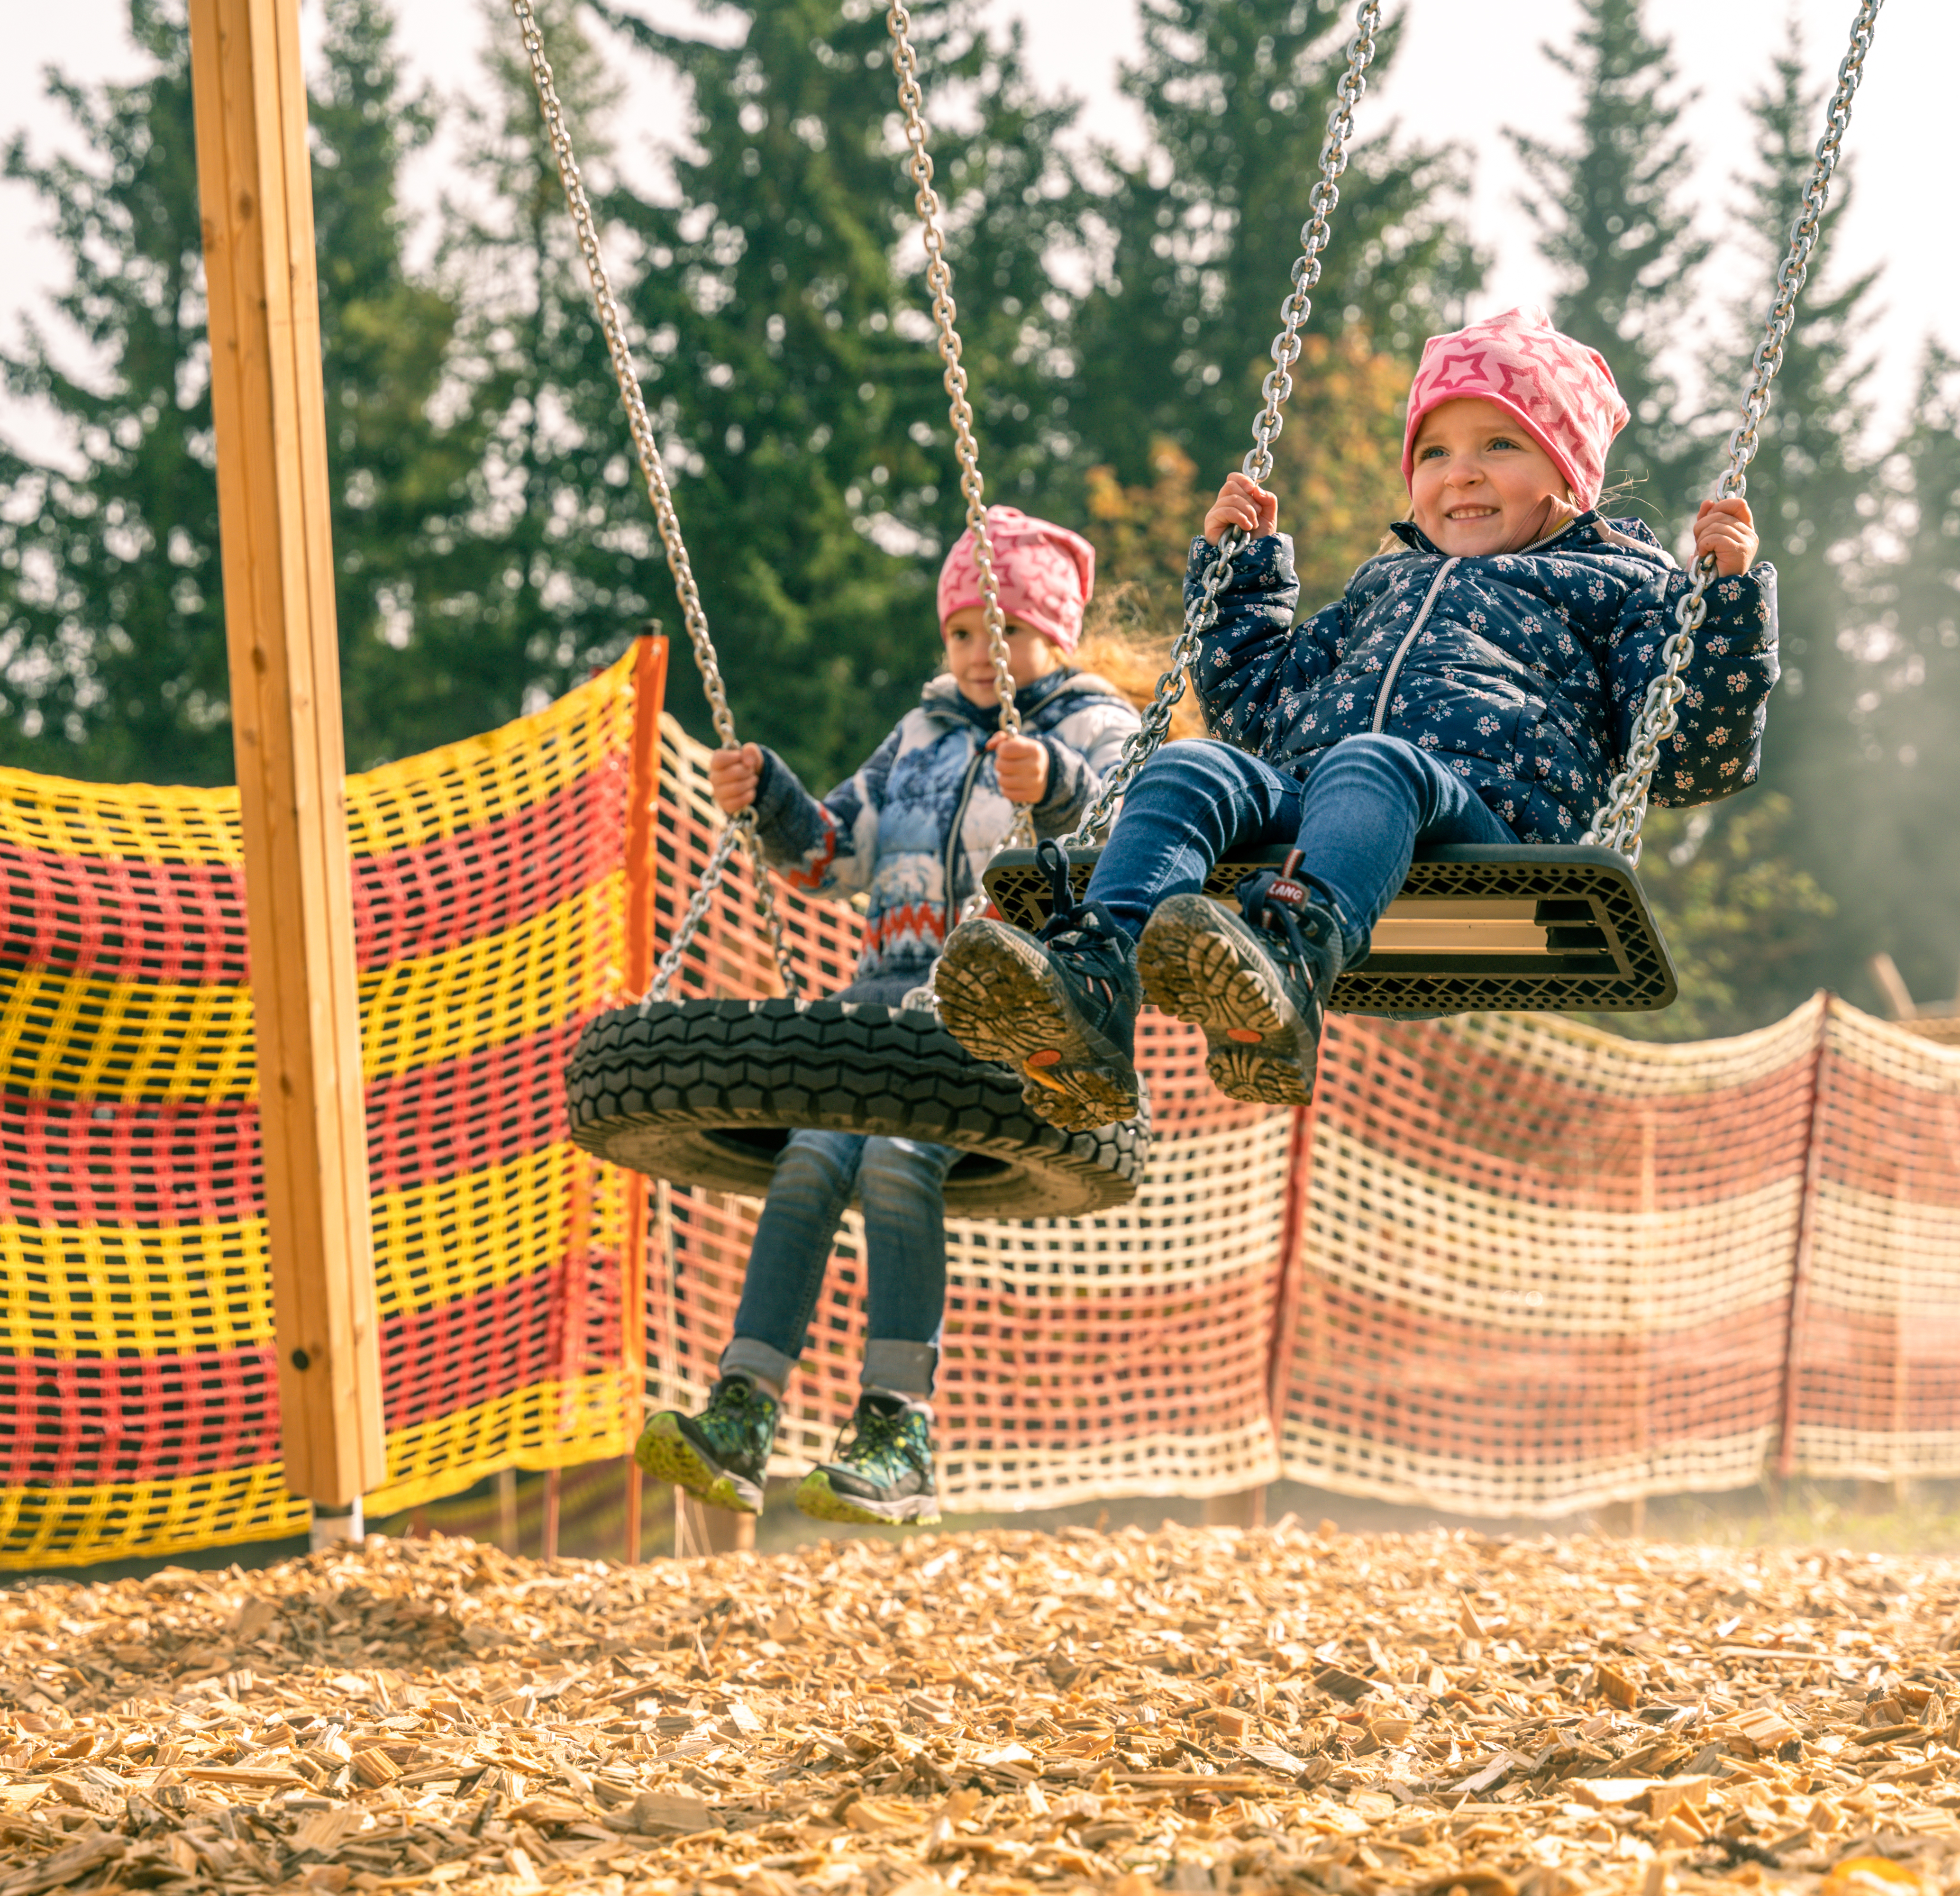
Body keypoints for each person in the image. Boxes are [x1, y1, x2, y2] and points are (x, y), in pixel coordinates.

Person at [933, 307, 1780, 1126]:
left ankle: (1289, 962)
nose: (1462, 472)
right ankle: (1097, 979)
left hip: (1488, 826)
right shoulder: (1383, 585)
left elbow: (1687, 755)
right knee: (1189, 766)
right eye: (1436, 451)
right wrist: (1239, 579)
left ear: (1568, 475)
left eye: (1502, 444)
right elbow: (1255, 705)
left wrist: (1725, 607)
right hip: (1320, 800)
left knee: (1374, 760)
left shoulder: (1619, 589)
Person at [633, 509, 1144, 1526]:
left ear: (1059, 637)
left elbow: (1131, 838)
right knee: (816, 1150)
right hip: (884, 1024)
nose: (978, 654)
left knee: (900, 1155)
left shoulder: (1095, 727)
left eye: (1003, 632)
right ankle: (743, 1409)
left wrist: (1055, 787)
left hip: (1017, 1020)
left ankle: (898, 1428)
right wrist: (771, 796)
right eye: (960, 633)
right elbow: (831, 850)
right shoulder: (917, 734)